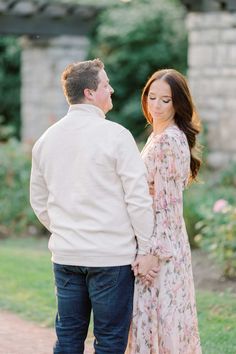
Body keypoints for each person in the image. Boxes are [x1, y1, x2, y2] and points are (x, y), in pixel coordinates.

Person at [29, 58, 157, 354]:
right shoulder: (117, 136)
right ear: (89, 92)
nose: (111, 90)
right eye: (106, 84)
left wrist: (66, 229)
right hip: (111, 257)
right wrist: (146, 246)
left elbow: (38, 200)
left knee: (68, 339)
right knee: (110, 342)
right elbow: (137, 197)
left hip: (66, 254)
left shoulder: (46, 140)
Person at [128, 69, 202, 354]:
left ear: (178, 104)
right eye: (151, 97)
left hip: (162, 250)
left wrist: (152, 255)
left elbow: (168, 207)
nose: (155, 106)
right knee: (154, 325)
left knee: (161, 322)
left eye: (165, 100)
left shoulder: (169, 141)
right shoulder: (159, 136)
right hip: (160, 242)